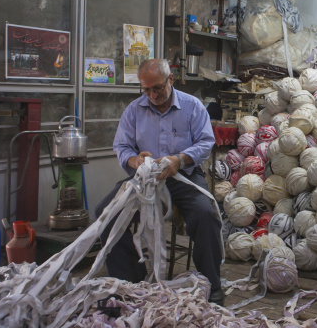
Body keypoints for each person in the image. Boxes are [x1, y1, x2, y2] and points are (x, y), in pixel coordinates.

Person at [94, 58, 224, 305]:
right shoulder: (134, 110)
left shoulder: (192, 106)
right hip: (146, 179)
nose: (152, 95)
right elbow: (121, 146)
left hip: (183, 176)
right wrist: (135, 161)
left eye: (157, 88)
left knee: (206, 214)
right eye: (146, 89)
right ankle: (129, 282)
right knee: (106, 212)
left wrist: (181, 159)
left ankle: (211, 284)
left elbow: (206, 142)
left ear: (170, 80)